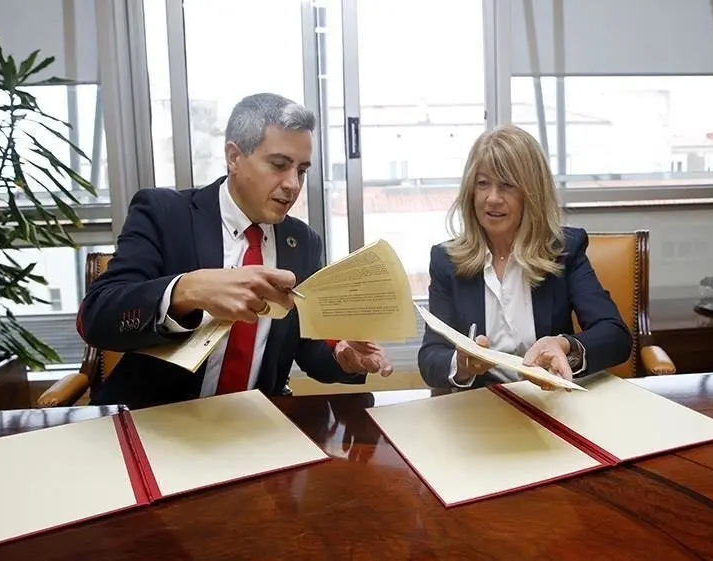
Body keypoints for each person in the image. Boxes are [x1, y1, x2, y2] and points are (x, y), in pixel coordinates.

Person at [77, 93, 392, 408]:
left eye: (302, 170)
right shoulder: (164, 214)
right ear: (234, 157)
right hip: (156, 419)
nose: (293, 184)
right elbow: (97, 318)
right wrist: (185, 290)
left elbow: (307, 352)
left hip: (253, 424)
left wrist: (343, 358)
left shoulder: (303, 242)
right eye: (279, 165)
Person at [418, 124, 631, 390]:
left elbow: (616, 336)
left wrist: (563, 345)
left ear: (532, 194)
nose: (492, 199)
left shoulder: (564, 250)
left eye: (507, 186)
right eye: (483, 184)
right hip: (483, 406)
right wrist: (460, 364)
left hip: (549, 402)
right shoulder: (446, 261)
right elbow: (430, 357)